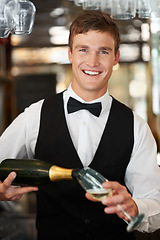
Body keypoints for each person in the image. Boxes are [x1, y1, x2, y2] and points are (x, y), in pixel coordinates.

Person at [0, 10, 160, 240]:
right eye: (83, 49)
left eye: (103, 51)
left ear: (116, 58)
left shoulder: (136, 126)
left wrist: (136, 207)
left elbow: (156, 203)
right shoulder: (34, 116)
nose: (92, 62)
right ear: (70, 54)